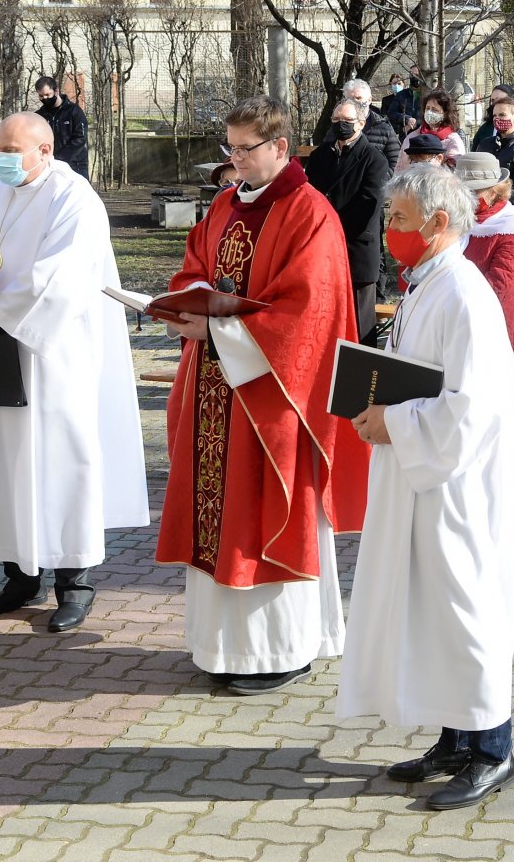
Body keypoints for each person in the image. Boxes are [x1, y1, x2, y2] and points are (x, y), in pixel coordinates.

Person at [156, 95, 368, 693]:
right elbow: (193, 266)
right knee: (217, 516)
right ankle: (220, 649)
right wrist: (187, 305)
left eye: (246, 149)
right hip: (215, 389)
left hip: (273, 397)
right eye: (230, 147)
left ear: (280, 147)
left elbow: (310, 313)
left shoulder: (310, 213)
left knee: (266, 510)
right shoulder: (224, 204)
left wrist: (219, 329)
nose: (235, 160)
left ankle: (283, 648)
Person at [0, 112, 147, 632]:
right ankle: (19, 576)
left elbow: (63, 276)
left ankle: (75, 582)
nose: (1, 159)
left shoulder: (74, 197)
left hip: (54, 356)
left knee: (60, 460)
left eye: (13, 149)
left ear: (46, 150)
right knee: (1, 460)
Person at [344, 165, 514, 812]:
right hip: (422, 479)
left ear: (439, 222)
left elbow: (470, 406)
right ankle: (454, 737)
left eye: (399, 220)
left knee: (466, 613)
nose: (389, 232)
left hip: (456, 487)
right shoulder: (429, 284)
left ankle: (493, 749)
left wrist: (393, 420)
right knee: (431, 612)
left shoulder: (464, 295)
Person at [305, 98, 390, 340]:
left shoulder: (374, 159)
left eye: (348, 121)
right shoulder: (321, 155)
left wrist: (332, 228)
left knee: (361, 328)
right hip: (323, 250)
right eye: (336, 120)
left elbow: (368, 206)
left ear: (362, 123)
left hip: (356, 250)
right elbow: (309, 196)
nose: (341, 125)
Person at [458, 151, 514, 360]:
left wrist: (451, 300)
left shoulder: (512, 229)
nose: (465, 197)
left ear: (494, 191)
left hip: (495, 327)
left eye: (473, 191)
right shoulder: (458, 219)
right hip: (457, 323)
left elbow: (500, 285)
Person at [470, 96, 514, 236]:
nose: (497, 119)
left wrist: (490, 199)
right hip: (485, 214)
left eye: (502, 115)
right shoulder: (485, 144)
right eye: (494, 116)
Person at [32, 77, 90, 179]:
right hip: (49, 166)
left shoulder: (74, 111)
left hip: (75, 165)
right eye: (41, 96)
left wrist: (60, 158)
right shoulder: (39, 116)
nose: (45, 99)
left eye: (47, 95)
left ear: (56, 91)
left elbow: (80, 138)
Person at [341, 78, 400, 170]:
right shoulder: (338, 126)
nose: (354, 102)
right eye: (350, 99)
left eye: (358, 98)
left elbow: (395, 162)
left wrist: (377, 180)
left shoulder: (383, 127)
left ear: (369, 100)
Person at [401, 90, 466, 168]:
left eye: (434, 109)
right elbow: (400, 167)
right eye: (427, 108)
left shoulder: (453, 141)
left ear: (445, 113)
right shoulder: (412, 137)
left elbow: (455, 170)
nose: (429, 112)